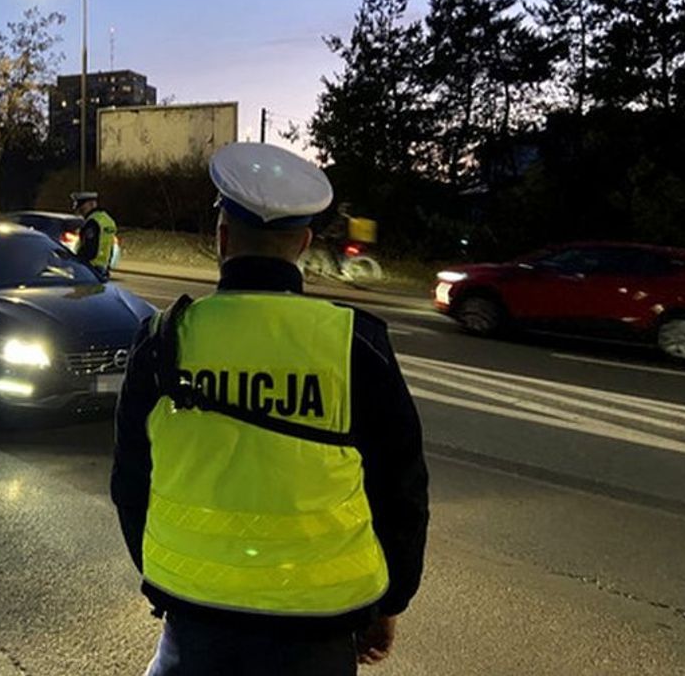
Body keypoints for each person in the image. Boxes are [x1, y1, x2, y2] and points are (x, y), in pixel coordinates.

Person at [111, 142, 429, 675]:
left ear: (222, 238)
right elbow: (402, 492)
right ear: (303, 244)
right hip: (318, 625)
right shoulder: (354, 344)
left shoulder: (164, 339)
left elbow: (129, 480)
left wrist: (162, 576)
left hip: (194, 617)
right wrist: (390, 602)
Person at [71, 191, 117, 275]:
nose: (80, 210)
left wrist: (76, 260)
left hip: (90, 268)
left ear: (91, 204)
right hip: (103, 267)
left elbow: (89, 250)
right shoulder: (107, 219)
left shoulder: (92, 222)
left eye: (82, 206)